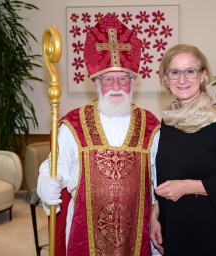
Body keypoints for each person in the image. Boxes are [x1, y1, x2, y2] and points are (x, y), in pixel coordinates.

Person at [37, 13, 160, 256]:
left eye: (123, 79)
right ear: (96, 82)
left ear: (133, 82)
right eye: (108, 79)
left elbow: (158, 177)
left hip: (137, 234)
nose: (116, 87)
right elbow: (54, 165)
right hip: (85, 234)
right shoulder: (74, 124)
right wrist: (46, 183)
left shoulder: (150, 125)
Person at [149, 44, 216, 256]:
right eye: (174, 72)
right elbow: (164, 177)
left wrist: (187, 187)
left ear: (203, 76)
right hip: (172, 226)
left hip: (210, 230)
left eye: (190, 71)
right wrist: (155, 215)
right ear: (166, 79)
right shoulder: (168, 122)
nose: (182, 80)